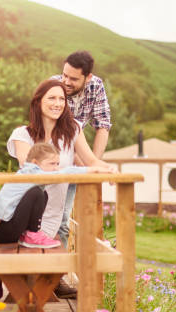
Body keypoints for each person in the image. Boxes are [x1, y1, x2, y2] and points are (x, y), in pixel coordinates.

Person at [0, 143, 113, 312]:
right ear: (35, 162)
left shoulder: (38, 183)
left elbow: (63, 173)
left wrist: (94, 168)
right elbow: (9, 192)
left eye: (57, 164)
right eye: (52, 164)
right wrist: (93, 169)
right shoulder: (31, 171)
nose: (56, 168)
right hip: (5, 214)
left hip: (15, 221)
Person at [7, 79, 116, 299]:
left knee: (41, 269)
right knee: (26, 274)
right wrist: (82, 172)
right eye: (52, 98)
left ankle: (39, 291)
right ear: (38, 102)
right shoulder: (22, 135)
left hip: (51, 216)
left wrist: (109, 169)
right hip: (24, 214)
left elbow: (91, 160)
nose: (58, 103)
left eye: (61, 99)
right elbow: (31, 171)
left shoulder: (72, 130)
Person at [52, 50, 112, 253]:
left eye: (73, 79)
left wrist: (92, 162)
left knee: (63, 220)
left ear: (88, 77)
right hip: (52, 160)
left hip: (76, 162)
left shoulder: (96, 86)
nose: (66, 81)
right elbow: (57, 130)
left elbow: (103, 125)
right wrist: (82, 159)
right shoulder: (53, 88)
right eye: (64, 75)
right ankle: (46, 274)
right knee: (51, 218)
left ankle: (55, 277)